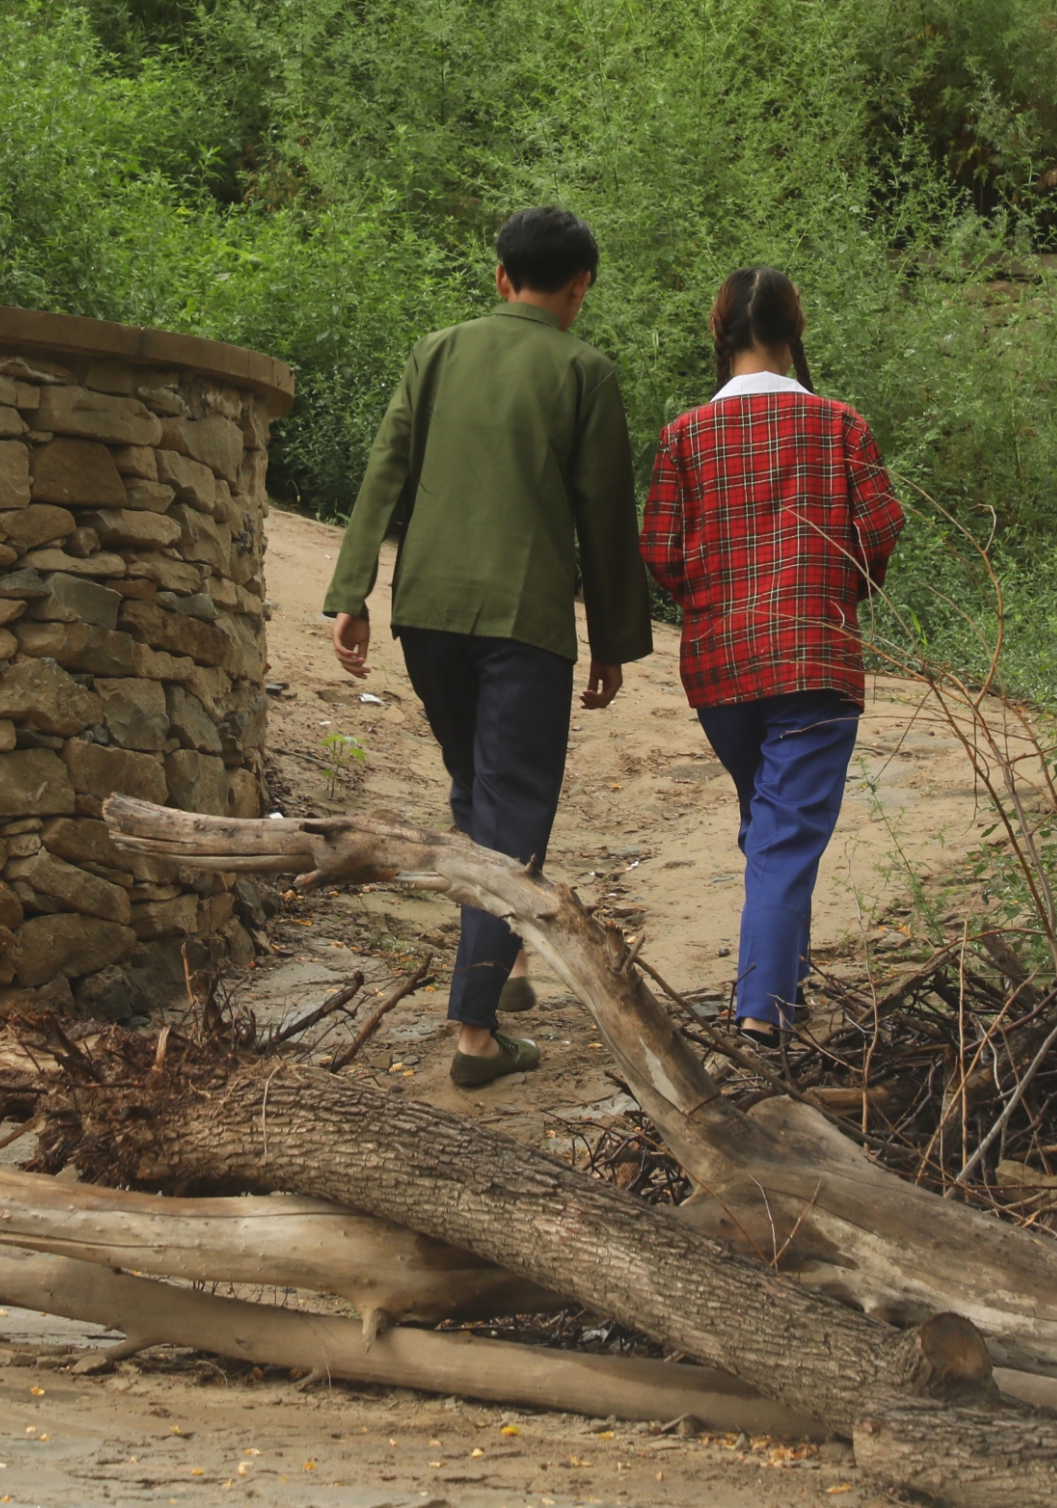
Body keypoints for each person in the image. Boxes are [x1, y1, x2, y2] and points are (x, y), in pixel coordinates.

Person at [323, 206, 652, 1089]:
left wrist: (349, 591)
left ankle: (503, 969)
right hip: (522, 619)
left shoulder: (436, 351)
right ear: (579, 288)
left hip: (425, 609)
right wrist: (615, 637)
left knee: (477, 787)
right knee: (510, 809)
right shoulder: (585, 370)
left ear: (501, 277)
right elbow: (604, 514)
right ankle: (474, 1031)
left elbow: (385, 469)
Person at [640, 267, 905, 1042]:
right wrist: (842, 587)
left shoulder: (684, 435)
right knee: (783, 837)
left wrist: (712, 599)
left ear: (718, 335)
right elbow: (883, 530)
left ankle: (784, 986)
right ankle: (760, 1014)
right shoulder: (840, 426)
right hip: (813, 660)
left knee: (770, 830)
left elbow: (659, 550)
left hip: (721, 669)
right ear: (796, 329)